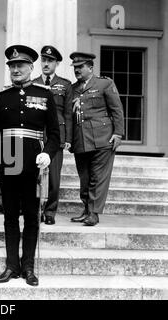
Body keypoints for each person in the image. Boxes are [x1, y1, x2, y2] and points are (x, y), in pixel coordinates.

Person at [0, 45, 60, 286]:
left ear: (31, 68)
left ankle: (28, 267)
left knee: (31, 216)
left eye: (20, 65)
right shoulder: (3, 96)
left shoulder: (45, 94)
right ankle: (11, 266)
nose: (16, 69)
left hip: (33, 166)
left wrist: (48, 154)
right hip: (8, 165)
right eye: (12, 66)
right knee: (9, 217)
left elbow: (55, 135)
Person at [69, 52, 124, 226]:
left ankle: (94, 213)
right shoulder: (72, 88)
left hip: (103, 139)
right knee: (84, 178)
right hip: (80, 140)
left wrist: (118, 133)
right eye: (75, 67)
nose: (77, 70)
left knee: (98, 178)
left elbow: (117, 109)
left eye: (80, 67)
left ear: (90, 68)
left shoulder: (104, 83)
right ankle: (86, 209)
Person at [33, 45, 73, 225]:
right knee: (34, 173)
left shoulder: (65, 85)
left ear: (56, 63)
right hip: (36, 134)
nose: (46, 64)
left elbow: (68, 114)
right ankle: (34, 209)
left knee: (54, 177)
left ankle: (50, 212)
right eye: (44, 60)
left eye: (50, 61)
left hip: (56, 135)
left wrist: (67, 139)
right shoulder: (33, 83)